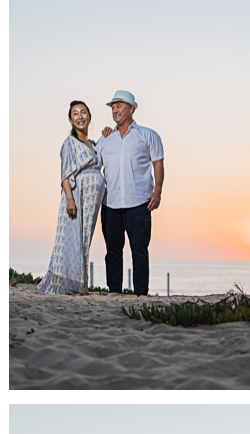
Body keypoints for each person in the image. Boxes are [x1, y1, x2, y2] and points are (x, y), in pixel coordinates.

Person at [95, 89, 164, 296]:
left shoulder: (148, 135)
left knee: (139, 251)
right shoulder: (105, 139)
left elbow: (158, 164)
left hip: (139, 203)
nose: (115, 110)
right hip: (111, 204)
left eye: (119, 106)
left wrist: (158, 191)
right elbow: (93, 166)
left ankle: (141, 293)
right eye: (113, 107)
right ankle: (114, 290)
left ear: (131, 109)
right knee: (113, 251)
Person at [35, 101, 106, 295]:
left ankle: (79, 283)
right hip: (76, 196)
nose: (80, 116)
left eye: (83, 112)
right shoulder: (69, 143)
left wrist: (107, 135)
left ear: (89, 117)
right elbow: (65, 174)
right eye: (75, 114)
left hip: (91, 201)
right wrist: (70, 199)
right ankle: (70, 284)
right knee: (72, 240)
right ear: (70, 119)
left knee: (83, 240)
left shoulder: (93, 145)